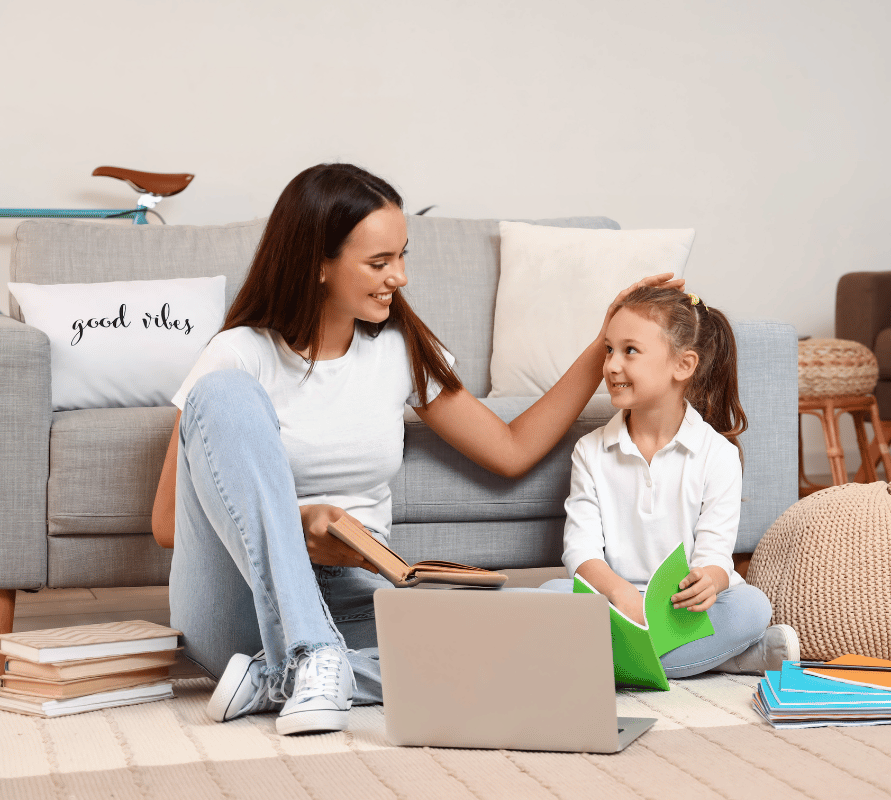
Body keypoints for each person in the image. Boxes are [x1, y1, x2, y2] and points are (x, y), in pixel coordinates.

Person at [150, 163, 682, 736]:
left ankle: (282, 678)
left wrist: (605, 343)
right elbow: (167, 525)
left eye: (402, 256)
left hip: (355, 595)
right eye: (380, 263)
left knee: (545, 622)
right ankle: (308, 655)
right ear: (318, 265)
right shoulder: (238, 355)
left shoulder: (396, 350)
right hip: (240, 599)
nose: (398, 277)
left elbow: (511, 449)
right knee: (224, 393)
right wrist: (293, 525)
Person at [540, 286, 799, 677]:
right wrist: (619, 591)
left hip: (681, 609)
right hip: (615, 600)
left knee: (752, 606)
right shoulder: (590, 451)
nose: (610, 365)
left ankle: (616, 664)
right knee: (548, 597)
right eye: (609, 349)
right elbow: (580, 552)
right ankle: (727, 659)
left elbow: (715, 556)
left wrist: (708, 581)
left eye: (630, 350)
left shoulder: (718, 455)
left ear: (683, 365)